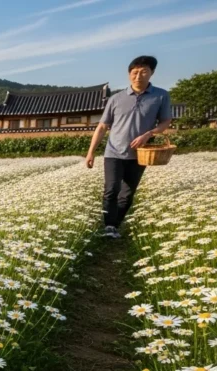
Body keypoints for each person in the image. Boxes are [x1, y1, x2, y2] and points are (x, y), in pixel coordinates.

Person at [86, 55, 172, 239]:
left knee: (127, 192)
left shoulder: (161, 96)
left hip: (139, 154)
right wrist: (91, 152)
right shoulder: (116, 98)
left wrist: (149, 134)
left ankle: (115, 225)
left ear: (152, 73)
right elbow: (102, 126)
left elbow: (166, 122)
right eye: (134, 72)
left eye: (143, 72)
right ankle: (109, 226)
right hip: (113, 152)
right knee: (111, 189)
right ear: (128, 74)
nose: (138, 76)